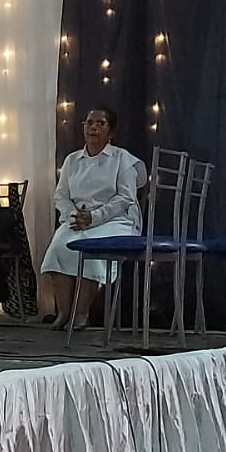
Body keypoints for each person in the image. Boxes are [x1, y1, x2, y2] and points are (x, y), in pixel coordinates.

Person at [38, 107, 143, 330]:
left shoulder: (122, 159)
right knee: (58, 247)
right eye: (89, 123)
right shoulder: (72, 160)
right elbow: (61, 195)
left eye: (100, 124)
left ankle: (81, 313)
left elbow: (126, 198)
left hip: (114, 220)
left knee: (91, 249)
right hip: (78, 219)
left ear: (110, 132)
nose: (93, 127)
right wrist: (74, 215)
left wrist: (94, 217)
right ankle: (64, 312)